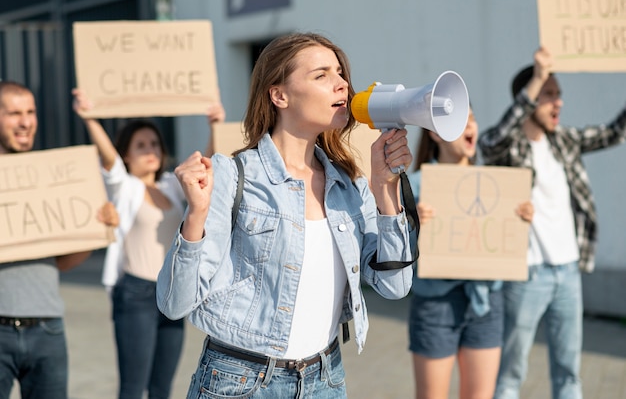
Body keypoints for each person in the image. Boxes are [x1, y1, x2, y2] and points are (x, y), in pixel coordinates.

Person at [156, 32, 415, 398]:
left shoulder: (350, 186)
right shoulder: (231, 175)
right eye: (321, 75)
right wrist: (195, 216)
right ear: (279, 95)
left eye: (340, 73)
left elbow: (395, 286)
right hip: (240, 382)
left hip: (324, 379)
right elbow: (174, 304)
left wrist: (385, 189)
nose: (342, 84)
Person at [478, 47, 626, 399]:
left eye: (558, 94)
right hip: (527, 274)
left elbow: (614, 133)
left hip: (569, 272)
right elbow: (490, 141)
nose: (557, 102)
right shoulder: (510, 147)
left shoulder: (565, 142)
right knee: (511, 375)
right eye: (548, 94)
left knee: (569, 374)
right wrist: (538, 77)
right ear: (527, 99)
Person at [72, 89, 226, 399]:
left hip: (170, 295)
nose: (150, 150)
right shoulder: (123, 187)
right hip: (136, 295)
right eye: (140, 146)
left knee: (161, 388)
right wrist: (89, 118)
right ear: (126, 154)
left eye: (154, 143)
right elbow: (110, 162)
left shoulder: (171, 185)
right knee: (132, 386)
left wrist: (215, 126)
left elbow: (205, 167)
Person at [0, 80, 118, 399]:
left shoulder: (48, 178)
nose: (25, 121)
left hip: (47, 329)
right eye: (13, 113)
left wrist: (95, 232)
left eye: (30, 112)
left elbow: (63, 263)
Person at [407, 107, 533, 399]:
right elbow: (398, 255)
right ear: (434, 133)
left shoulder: (497, 185)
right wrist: (411, 225)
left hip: (487, 301)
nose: (470, 126)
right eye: (460, 121)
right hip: (436, 303)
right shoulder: (413, 187)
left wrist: (519, 220)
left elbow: (503, 246)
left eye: (473, 118)